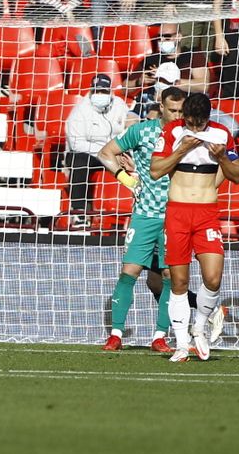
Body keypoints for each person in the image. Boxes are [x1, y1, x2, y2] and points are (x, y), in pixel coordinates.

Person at [150, 91, 239, 362]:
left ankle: (199, 327)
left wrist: (223, 158)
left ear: (207, 119)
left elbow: (237, 176)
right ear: (184, 117)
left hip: (206, 214)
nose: (194, 128)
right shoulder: (171, 132)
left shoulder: (221, 134)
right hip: (178, 213)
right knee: (178, 281)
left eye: (199, 123)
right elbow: (155, 170)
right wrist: (181, 150)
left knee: (213, 277)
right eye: (189, 122)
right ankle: (181, 344)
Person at [97, 85, 185, 352]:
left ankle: (159, 336)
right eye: (172, 110)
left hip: (175, 216)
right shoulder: (142, 131)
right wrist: (128, 181)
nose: (177, 115)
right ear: (161, 106)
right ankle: (115, 334)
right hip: (145, 214)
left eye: (181, 110)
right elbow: (105, 153)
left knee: (170, 275)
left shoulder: (190, 135)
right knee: (129, 271)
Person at [64, 73, 132, 227]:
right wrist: (107, 151)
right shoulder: (80, 110)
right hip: (88, 153)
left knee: (132, 161)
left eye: (104, 91)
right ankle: (78, 212)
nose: (100, 95)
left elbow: (127, 132)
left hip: (115, 151)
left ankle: (127, 209)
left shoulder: (120, 105)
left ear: (110, 91)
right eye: (97, 91)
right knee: (80, 162)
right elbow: (76, 144)